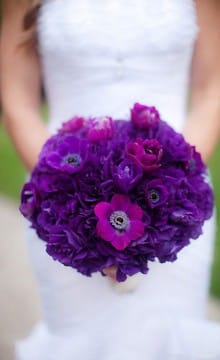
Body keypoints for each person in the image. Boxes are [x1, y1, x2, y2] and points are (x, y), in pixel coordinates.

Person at [1, 0, 220, 359]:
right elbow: (17, 102)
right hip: (61, 200)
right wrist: (64, 201)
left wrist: (177, 185)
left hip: (176, 201)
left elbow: (210, 93)